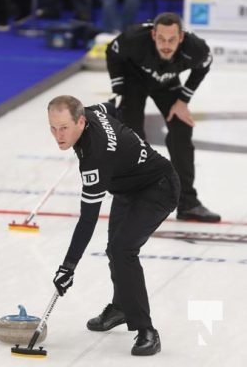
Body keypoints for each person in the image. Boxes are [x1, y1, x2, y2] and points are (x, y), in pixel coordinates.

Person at [48, 95, 180, 356]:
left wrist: (68, 267)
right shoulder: (88, 111)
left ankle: (147, 331)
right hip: (126, 187)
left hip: (158, 187)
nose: (58, 135)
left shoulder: (95, 157)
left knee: (123, 250)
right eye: (53, 128)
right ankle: (121, 307)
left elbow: (88, 220)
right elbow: (108, 106)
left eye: (64, 128)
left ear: (81, 121)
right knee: (114, 250)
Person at [105, 12, 220, 222]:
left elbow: (205, 65)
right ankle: (134, 198)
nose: (166, 45)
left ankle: (187, 203)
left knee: (181, 129)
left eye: (172, 40)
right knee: (133, 137)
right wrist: (119, 89)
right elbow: (112, 51)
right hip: (134, 81)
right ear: (153, 35)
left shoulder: (195, 48)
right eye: (161, 39)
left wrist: (183, 100)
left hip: (167, 83)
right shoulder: (133, 38)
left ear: (181, 37)